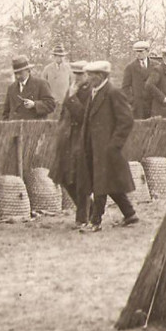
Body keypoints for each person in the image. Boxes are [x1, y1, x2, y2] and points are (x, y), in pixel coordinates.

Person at [77, 61, 139, 231]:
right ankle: (130, 214)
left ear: (101, 76)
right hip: (94, 147)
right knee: (108, 182)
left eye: (91, 75)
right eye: (88, 74)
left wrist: (114, 145)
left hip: (107, 149)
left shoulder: (113, 93)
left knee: (100, 184)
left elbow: (126, 120)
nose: (88, 78)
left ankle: (95, 222)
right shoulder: (94, 92)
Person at [50, 61, 91, 226]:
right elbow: (64, 115)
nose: (78, 77)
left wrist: (72, 98)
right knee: (63, 177)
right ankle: (91, 210)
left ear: (87, 75)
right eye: (76, 74)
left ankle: (82, 218)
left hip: (82, 139)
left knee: (82, 180)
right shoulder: (72, 89)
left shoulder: (89, 92)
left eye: (81, 74)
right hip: (67, 139)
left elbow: (83, 116)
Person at [2, 55, 57, 121]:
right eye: (15, 73)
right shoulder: (11, 88)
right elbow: (6, 112)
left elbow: (51, 105)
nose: (17, 76)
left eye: (20, 73)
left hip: (34, 128)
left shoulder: (41, 84)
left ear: (28, 70)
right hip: (14, 128)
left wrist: (34, 104)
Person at [120, 41, 154, 120]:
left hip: (152, 104)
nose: (138, 54)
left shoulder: (155, 65)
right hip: (138, 106)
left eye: (141, 51)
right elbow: (125, 87)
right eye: (136, 51)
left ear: (147, 51)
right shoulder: (130, 67)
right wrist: (132, 101)